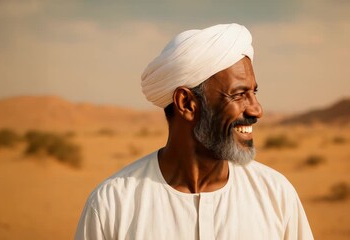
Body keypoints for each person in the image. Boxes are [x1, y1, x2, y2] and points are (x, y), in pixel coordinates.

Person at [75, 23, 314, 240]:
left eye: (254, 93)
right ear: (186, 104)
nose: (257, 110)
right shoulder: (113, 204)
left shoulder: (274, 194)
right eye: (239, 94)